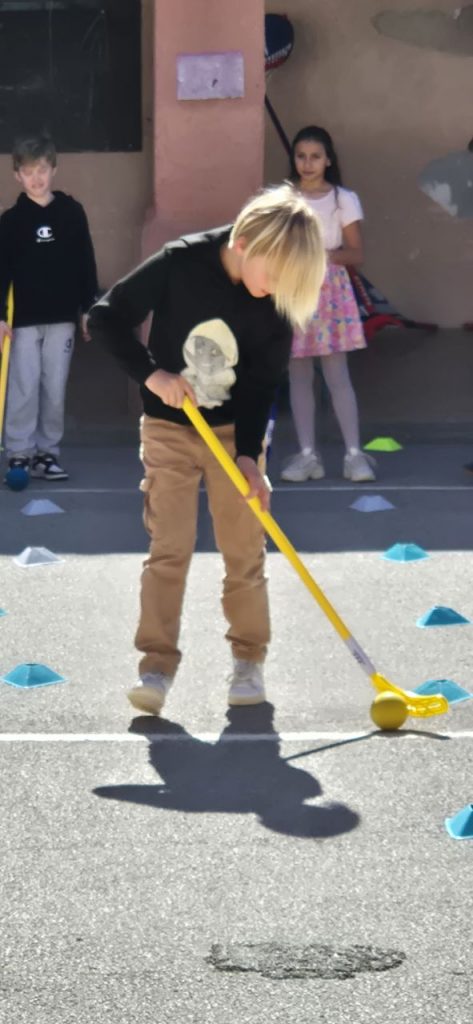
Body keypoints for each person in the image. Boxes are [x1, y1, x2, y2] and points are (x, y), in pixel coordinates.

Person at [88, 184, 325, 715]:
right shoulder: (180, 263)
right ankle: (156, 665)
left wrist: (249, 457)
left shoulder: (276, 303)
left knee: (244, 551)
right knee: (169, 548)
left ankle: (248, 660)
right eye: (276, 276)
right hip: (168, 429)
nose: (279, 290)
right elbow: (105, 317)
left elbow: (261, 385)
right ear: (244, 243)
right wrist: (153, 375)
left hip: (232, 434)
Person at [280, 125, 375, 484]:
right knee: (298, 373)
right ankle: (307, 455)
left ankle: (354, 455)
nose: (307, 163)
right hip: (293, 290)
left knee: (337, 374)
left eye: (315, 156)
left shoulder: (342, 199)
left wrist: (320, 256)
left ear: (328, 160)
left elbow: (356, 253)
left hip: (331, 290)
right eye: (301, 156)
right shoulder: (282, 198)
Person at [0, 134, 98, 482]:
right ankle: (19, 453)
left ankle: (47, 453)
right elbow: (2, 270)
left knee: (54, 387)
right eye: (28, 172)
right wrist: (0, 316)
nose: (36, 178)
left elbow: (85, 262)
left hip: (62, 318)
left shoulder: (71, 213)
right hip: (24, 320)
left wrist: (88, 307)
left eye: (41, 170)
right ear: (17, 176)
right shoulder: (11, 221)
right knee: (23, 386)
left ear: (53, 169)